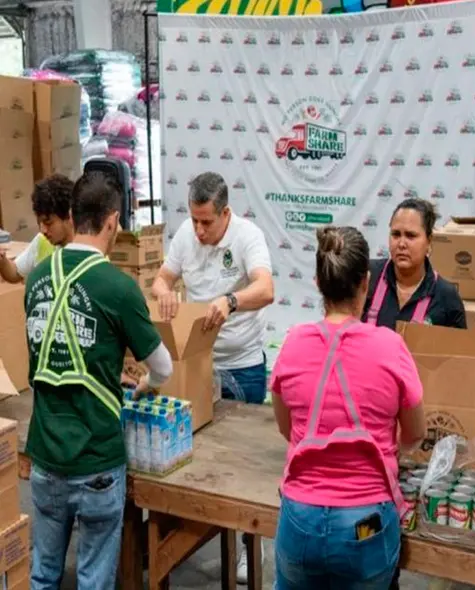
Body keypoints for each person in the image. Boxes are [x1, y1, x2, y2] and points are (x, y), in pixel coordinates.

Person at [24, 171, 174, 590]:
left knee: (43, 573)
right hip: (97, 460)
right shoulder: (118, 287)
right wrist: (142, 382)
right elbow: (162, 367)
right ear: (112, 222)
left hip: (45, 454)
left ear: (71, 214)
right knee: (93, 579)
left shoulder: (36, 278)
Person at [269, 226, 426, 590]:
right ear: (366, 283)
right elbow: (415, 432)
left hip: (299, 519)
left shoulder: (292, 344)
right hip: (366, 524)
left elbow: (285, 427)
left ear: (318, 283)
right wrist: (386, 450)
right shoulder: (390, 347)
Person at [149, 171, 274, 582]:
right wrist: (163, 289)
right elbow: (162, 277)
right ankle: (177, 533)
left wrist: (231, 300)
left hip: (242, 365)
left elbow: (267, 288)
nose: (199, 231)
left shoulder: (247, 237)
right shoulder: (186, 234)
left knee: (242, 469)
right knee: (192, 459)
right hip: (197, 362)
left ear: (226, 213)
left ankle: (243, 548)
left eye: (207, 222)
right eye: (195, 220)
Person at [364, 198, 466, 330]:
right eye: (395, 234)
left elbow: (459, 348)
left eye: (410, 236)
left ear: (429, 242)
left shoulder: (446, 297)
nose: (401, 244)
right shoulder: (367, 276)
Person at [0, 175, 75, 283]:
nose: (43, 230)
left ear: (69, 216)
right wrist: (2, 261)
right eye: (39, 223)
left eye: (48, 223)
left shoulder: (89, 249)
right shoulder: (42, 242)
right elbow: (15, 273)